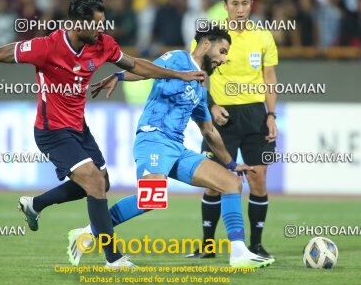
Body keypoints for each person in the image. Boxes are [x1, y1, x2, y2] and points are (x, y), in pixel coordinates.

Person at [0, 0, 205, 269]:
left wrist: (180, 75)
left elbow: (135, 64)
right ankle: (114, 258)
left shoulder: (103, 44)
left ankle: (35, 204)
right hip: (52, 131)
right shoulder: (46, 47)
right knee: (95, 183)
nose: (102, 30)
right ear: (77, 23)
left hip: (78, 127)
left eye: (103, 23)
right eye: (96, 24)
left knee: (102, 183)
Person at [68, 27, 275, 269]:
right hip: (153, 138)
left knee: (231, 183)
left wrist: (231, 163)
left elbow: (208, 130)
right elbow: (146, 70)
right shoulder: (178, 59)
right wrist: (120, 75)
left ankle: (239, 253)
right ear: (206, 44)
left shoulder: (199, 86)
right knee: (150, 200)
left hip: (176, 147)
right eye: (222, 51)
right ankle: (87, 233)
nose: (224, 59)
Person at [186, 0, 279, 259]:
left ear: (252, 5)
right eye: (235, 4)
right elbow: (196, 74)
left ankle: (257, 245)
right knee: (214, 182)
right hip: (221, 115)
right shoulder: (208, 36)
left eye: (245, 4)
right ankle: (208, 245)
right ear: (225, 6)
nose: (240, 9)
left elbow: (270, 77)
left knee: (258, 178)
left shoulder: (263, 36)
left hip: (254, 115)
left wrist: (272, 114)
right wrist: (211, 106)